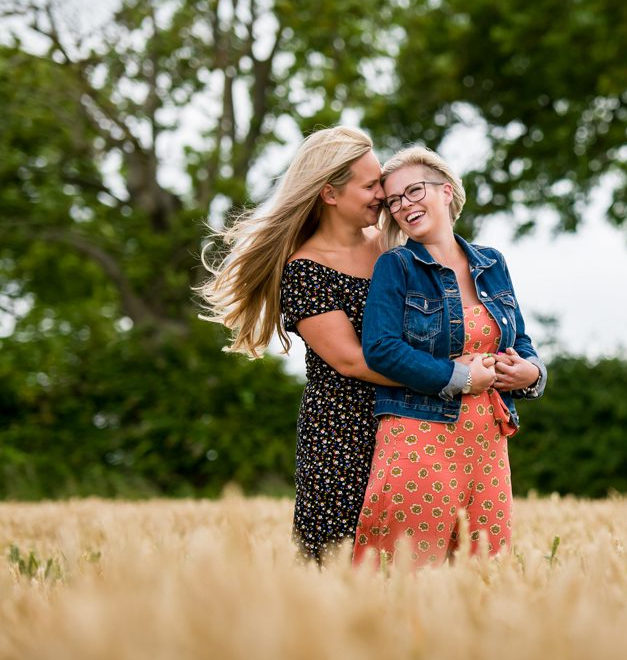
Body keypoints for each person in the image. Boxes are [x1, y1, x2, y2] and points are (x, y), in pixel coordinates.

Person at [199, 126, 400, 562]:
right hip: (341, 436)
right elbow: (349, 360)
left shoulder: (391, 246)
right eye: (370, 185)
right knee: (334, 567)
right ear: (329, 193)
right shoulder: (305, 271)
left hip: (404, 423)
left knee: (403, 567)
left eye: (380, 180)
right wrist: (446, 376)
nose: (382, 194)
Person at [353, 146, 546, 568]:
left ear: (445, 191)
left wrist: (531, 373)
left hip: (487, 441)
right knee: (405, 575)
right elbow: (380, 349)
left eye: (414, 190)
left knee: (484, 574)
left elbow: (519, 337)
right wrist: (459, 378)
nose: (405, 205)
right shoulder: (397, 266)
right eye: (395, 201)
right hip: (418, 436)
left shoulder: (492, 262)